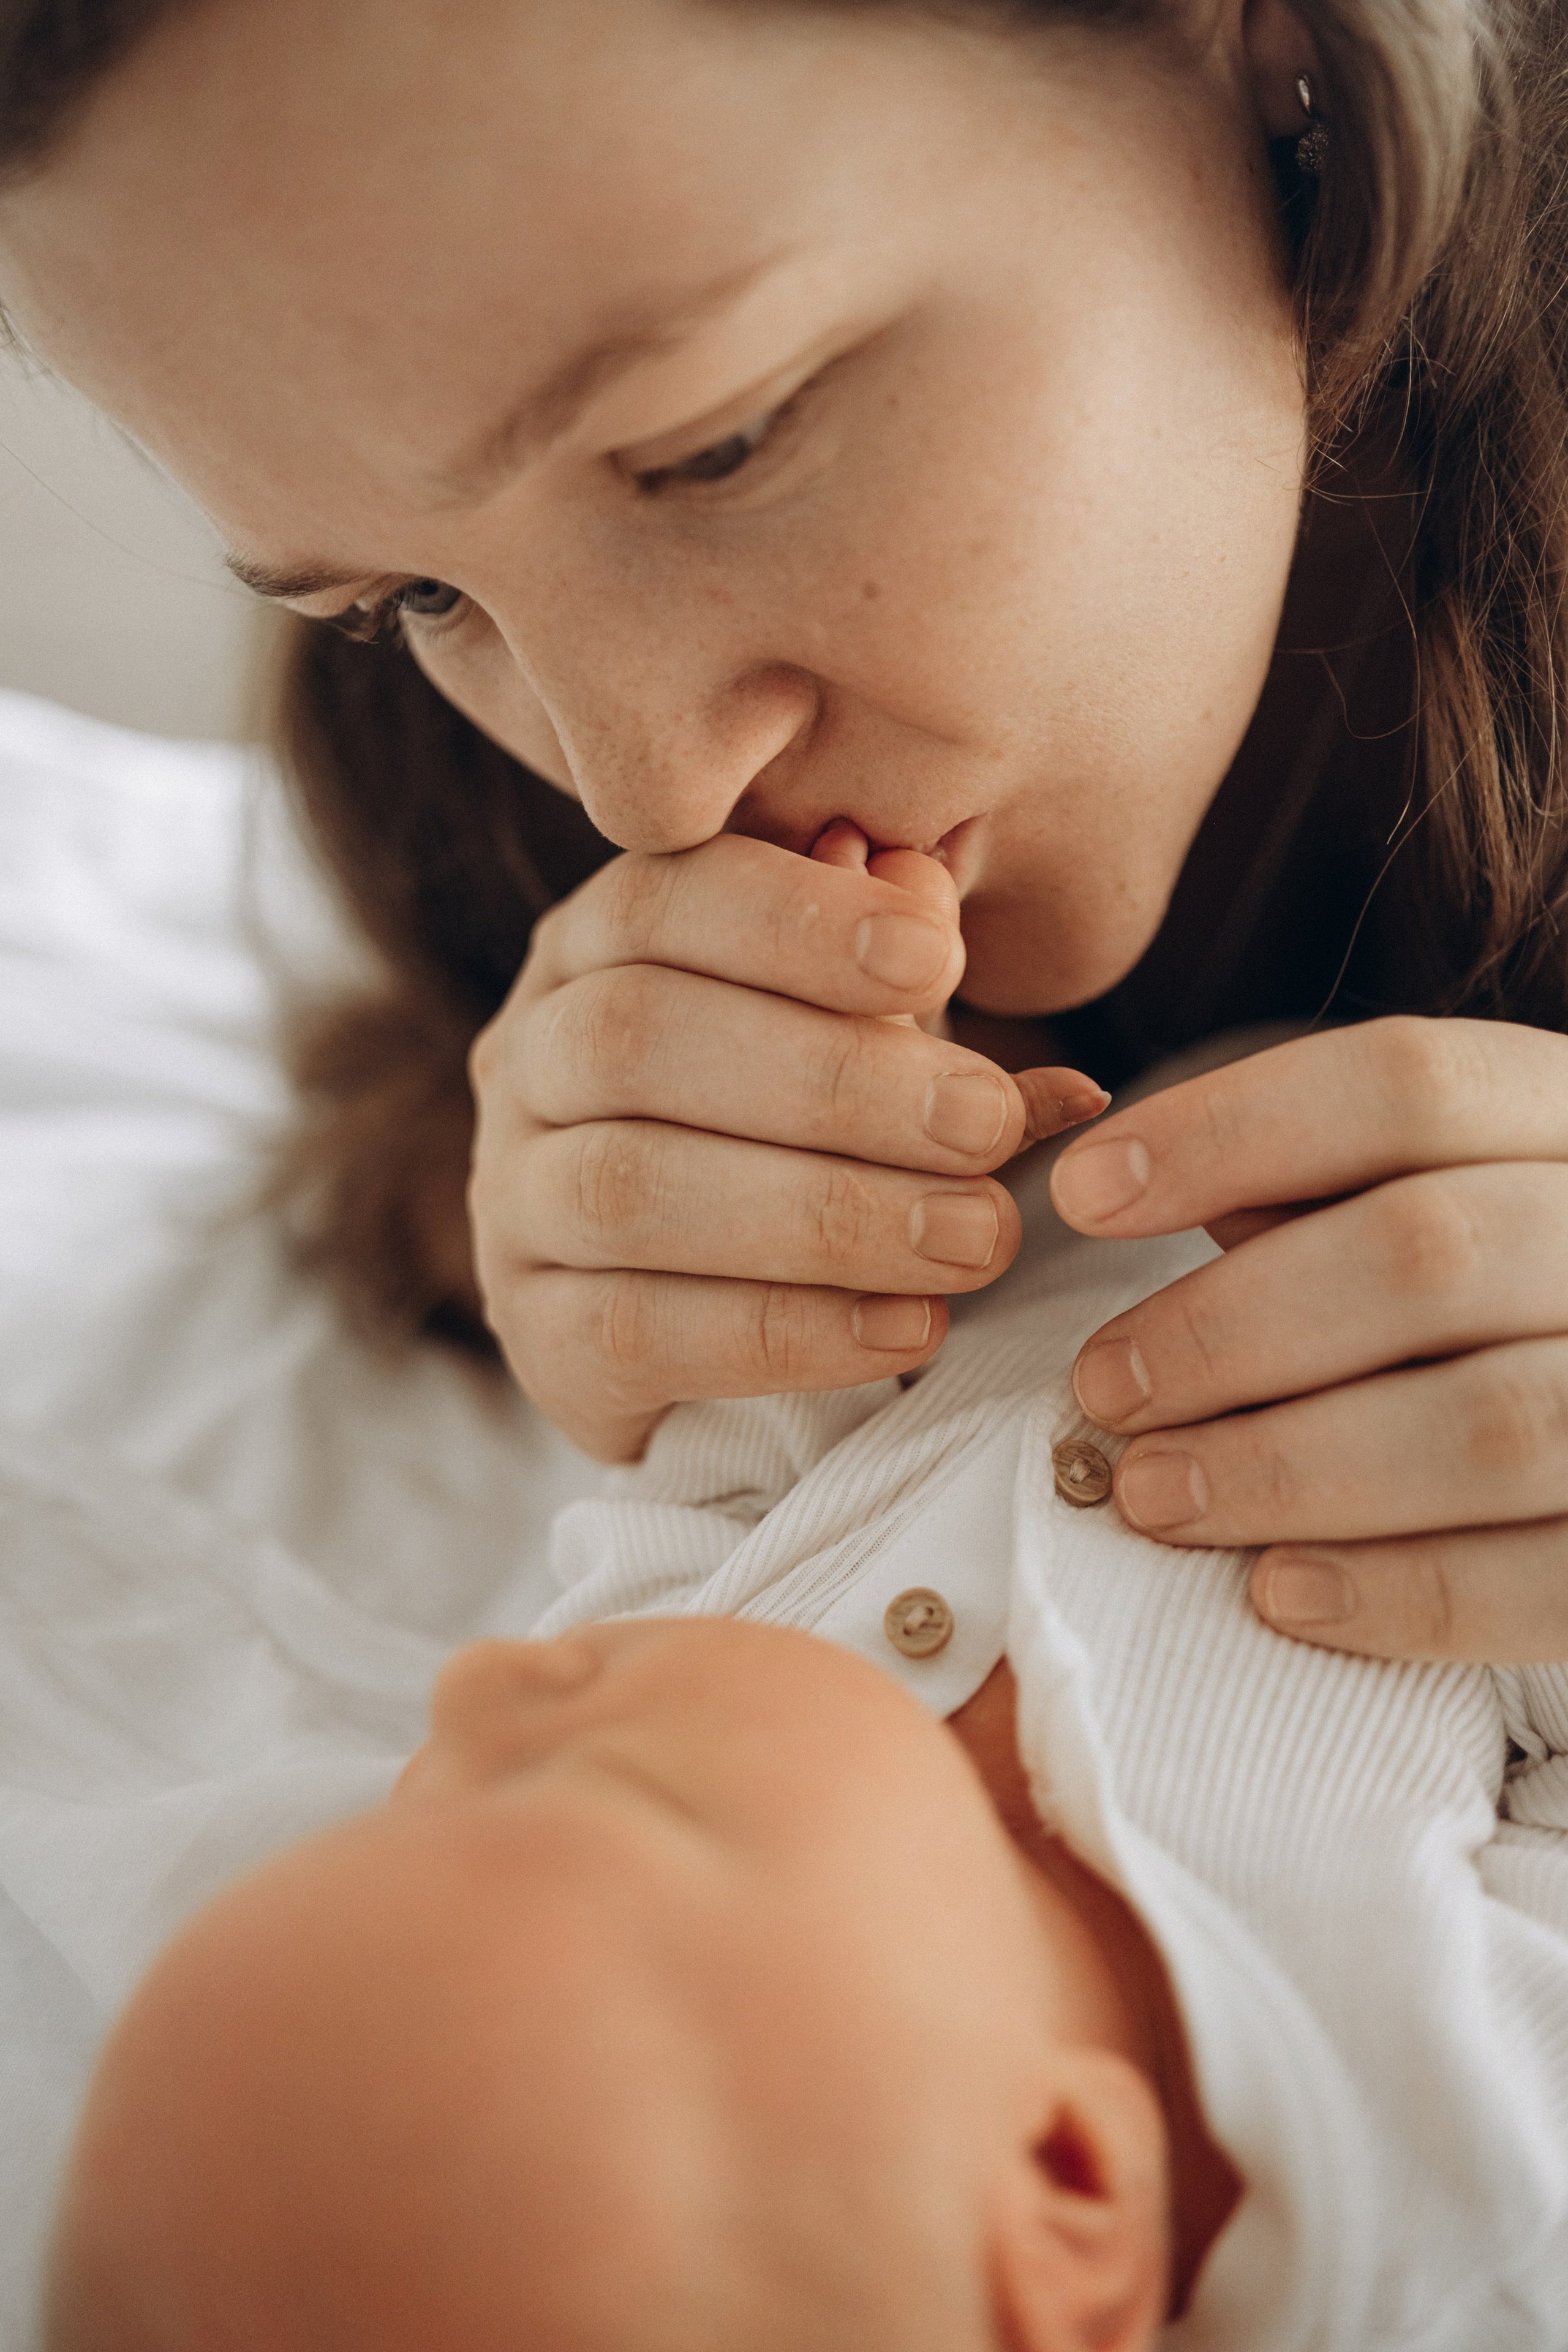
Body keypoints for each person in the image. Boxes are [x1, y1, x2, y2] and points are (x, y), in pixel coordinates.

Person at [2, 2, 1568, 1668]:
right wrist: (572, 1227)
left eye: (714, 447)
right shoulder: (440, 771)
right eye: (420, 600)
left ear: (1261, 43)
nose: (642, 788)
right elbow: (397, 1104)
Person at [43, 1196, 1568, 2348]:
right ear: (1064, 2182)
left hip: (1074, 1117)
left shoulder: (730, 1682)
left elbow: (718, 1471)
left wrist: (814, 1226)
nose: (488, 1681)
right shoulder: (1454, 2130)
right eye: (609, 1788)